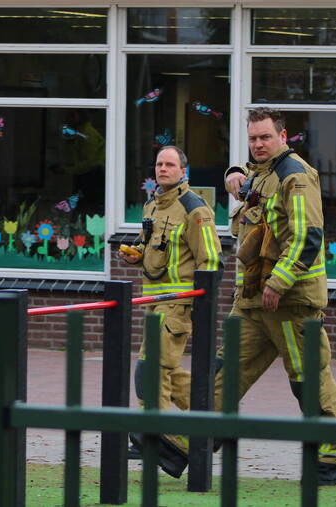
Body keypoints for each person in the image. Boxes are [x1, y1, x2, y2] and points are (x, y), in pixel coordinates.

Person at [219, 107, 336, 486]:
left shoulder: (294, 176)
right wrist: (234, 176)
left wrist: (278, 283)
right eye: (252, 138)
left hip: (289, 300)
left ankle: (335, 457)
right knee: (226, 369)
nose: (258, 144)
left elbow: (306, 236)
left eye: (265, 137)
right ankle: (193, 437)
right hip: (252, 298)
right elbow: (248, 215)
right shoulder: (262, 174)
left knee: (307, 376)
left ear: (283, 135)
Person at [118, 145, 221, 478]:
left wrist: (200, 303)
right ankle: (214, 421)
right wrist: (136, 254)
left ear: (183, 172)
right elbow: (151, 246)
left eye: (170, 164)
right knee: (168, 373)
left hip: (178, 304)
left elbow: (211, 260)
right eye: (159, 164)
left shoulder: (194, 208)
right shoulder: (152, 204)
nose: (163, 169)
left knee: (149, 371)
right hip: (153, 302)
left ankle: (163, 440)